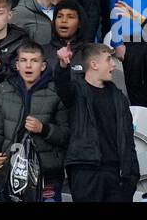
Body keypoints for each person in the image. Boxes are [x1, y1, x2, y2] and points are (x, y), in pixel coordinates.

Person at [0, 41, 68, 201]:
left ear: (43, 66)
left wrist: (44, 129)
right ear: (17, 65)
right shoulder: (2, 92)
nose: (28, 65)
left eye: (34, 61)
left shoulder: (56, 93)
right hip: (11, 172)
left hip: (47, 175)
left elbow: (65, 136)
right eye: (24, 60)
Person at [53, 41, 138, 202]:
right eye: (108, 59)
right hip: (85, 170)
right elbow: (61, 86)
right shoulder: (76, 90)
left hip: (117, 174)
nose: (113, 64)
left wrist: (132, 174)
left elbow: (128, 138)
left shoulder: (119, 97)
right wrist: (63, 66)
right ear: (94, 64)